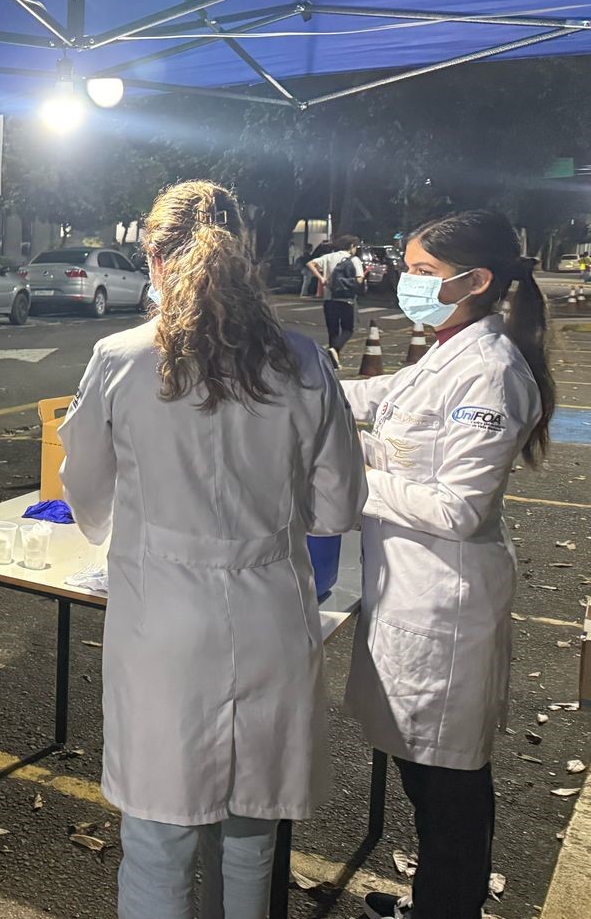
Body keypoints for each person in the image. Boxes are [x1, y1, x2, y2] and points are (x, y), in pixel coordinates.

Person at [58, 181, 366, 919]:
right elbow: (336, 506)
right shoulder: (302, 360)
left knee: (158, 840)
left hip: (163, 627)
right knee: (251, 837)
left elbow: (88, 497)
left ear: (154, 259)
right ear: (246, 254)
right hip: (272, 621)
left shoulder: (122, 358)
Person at [339, 209, 552, 919]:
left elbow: (458, 508)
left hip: (444, 604)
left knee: (449, 792)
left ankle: (447, 909)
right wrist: (297, 383)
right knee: (424, 779)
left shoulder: (491, 372)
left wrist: (353, 475)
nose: (408, 283)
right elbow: (381, 400)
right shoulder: (446, 350)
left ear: (476, 280)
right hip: (409, 590)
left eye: (423, 272)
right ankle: (435, 904)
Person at [307, 236, 365, 365]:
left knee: (333, 330)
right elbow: (359, 279)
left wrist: (322, 278)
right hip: (346, 300)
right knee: (348, 329)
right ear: (351, 246)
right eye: (355, 247)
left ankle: (333, 360)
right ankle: (335, 349)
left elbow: (310, 264)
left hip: (329, 299)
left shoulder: (329, 257)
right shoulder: (354, 260)